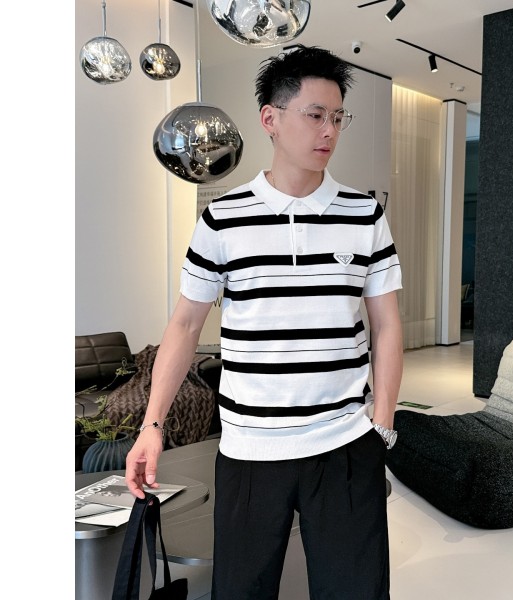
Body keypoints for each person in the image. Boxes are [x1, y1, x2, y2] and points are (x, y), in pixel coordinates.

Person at [126, 44, 404, 599]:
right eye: (315, 114)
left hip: (345, 443)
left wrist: (382, 425)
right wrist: (151, 425)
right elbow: (184, 327)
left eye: (338, 117)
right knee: (240, 590)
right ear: (270, 119)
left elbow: (388, 325)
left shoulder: (364, 214)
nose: (329, 130)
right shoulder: (222, 219)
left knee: (357, 591)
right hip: (250, 450)